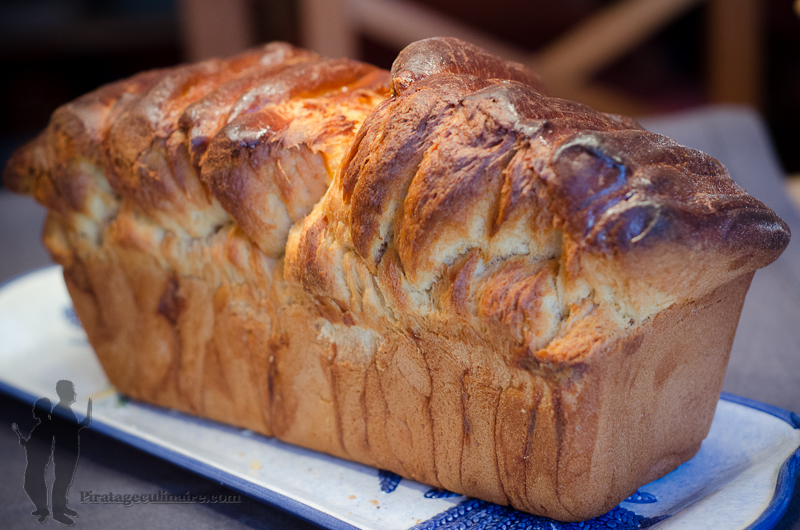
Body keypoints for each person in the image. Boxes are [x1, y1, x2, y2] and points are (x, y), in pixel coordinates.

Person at [51, 380, 92, 526]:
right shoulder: (60, 409)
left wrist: (82, 425)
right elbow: (61, 431)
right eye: (72, 390)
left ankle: (62, 507)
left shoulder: (67, 409)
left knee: (65, 481)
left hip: (71, 450)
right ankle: (57, 512)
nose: (74, 392)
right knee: (61, 481)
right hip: (63, 452)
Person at [12, 398, 55, 524]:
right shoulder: (42, 425)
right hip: (37, 458)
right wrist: (25, 443)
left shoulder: (44, 426)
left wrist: (28, 444)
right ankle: (42, 508)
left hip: (39, 459)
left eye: (36, 408)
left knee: (33, 483)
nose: (34, 410)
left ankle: (43, 509)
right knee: (33, 483)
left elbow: (42, 444)